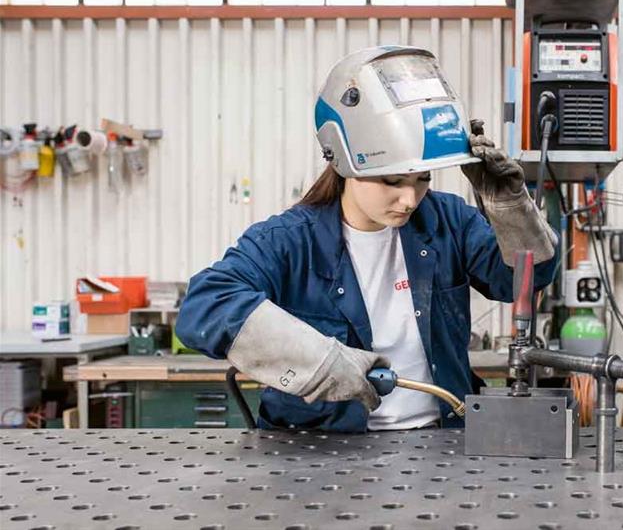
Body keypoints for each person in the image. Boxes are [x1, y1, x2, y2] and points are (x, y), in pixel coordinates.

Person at [175, 46, 559, 432]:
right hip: (318, 453)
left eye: (422, 179)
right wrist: (318, 361)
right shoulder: (290, 241)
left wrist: (511, 209)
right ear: (346, 164)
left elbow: (527, 280)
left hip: (441, 440)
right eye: (392, 181)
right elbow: (205, 305)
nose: (409, 199)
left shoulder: (448, 221)